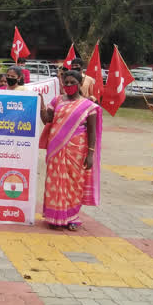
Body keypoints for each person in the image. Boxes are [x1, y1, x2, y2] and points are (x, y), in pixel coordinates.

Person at [39, 70, 103, 230]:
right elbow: (47, 119)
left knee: (74, 183)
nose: (68, 85)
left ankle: (72, 217)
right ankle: (54, 217)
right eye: (65, 82)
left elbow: (92, 131)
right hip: (56, 148)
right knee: (55, 181)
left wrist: (90, 154)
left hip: (77, 150)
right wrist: (40, 104)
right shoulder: (57, 101)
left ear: (80, 84)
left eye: (72, 83)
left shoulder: (89, 106)